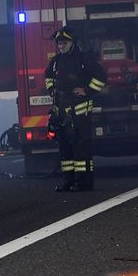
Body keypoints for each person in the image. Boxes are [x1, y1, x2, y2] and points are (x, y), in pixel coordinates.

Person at [45, 26, 106, 192]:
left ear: (72, 43)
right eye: (59, 44)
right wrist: (51, 90)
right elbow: (48, 76)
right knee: (65, 149)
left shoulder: (83, 59)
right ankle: (69, 181)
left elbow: (100, 78)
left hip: (79, 111)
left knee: (81, 148)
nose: (61, 46)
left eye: (64, 43)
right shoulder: (56, 61)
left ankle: (84, 182)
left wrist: (86, 90)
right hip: (61, 111)